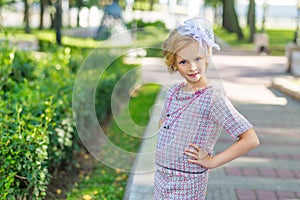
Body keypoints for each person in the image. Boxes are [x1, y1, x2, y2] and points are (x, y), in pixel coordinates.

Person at [154, 17, 260, 199]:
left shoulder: (212, 97)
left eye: (198, 59)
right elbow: (164, 123)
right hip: (162, 179)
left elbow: (250, 139)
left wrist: (212, 161)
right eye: (183, 62)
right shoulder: (173, 91)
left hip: (187, 184)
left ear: (207, 56)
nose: (192, 67)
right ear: (173, 64)